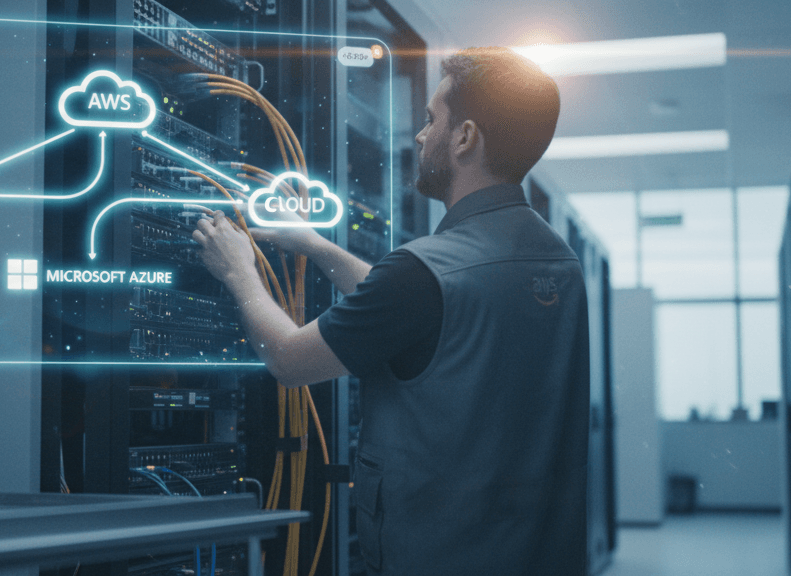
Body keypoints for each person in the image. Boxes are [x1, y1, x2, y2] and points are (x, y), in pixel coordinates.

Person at [192, 46, 589, 575]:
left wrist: (239, 270)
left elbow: (289, 360)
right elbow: (432, 312)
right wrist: (316, 246)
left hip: (439, 555)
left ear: (466, 137)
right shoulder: (558, 261)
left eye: (430, 119)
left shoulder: (423, 272)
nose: (420, 136)